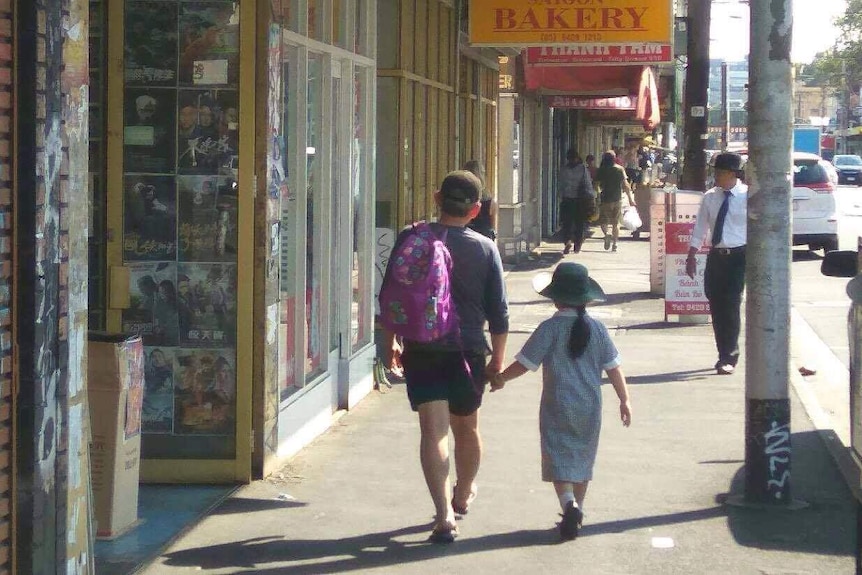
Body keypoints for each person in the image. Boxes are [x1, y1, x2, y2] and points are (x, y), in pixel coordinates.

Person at [381, 170, 509, 544]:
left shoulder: (411, 238)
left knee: (432, 432)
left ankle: (443, 515)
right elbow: (499, 314)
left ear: (437, 199)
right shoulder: (485, 247)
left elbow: (389, 293)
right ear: (475, 210)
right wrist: (496, 361)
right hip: (467, 350)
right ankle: (464, 494)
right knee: (466, 428)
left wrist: (389, 341)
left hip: (421, 346)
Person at [490, 262, 632, 541]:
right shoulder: (598, 329)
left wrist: (501, 378)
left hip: (557, 404)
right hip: (590, 406)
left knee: (558, 457)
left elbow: (525, 363)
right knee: (582, 458)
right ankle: (577, 511)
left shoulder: (550, 328)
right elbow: (614, 367)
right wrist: (624, 400)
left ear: (555, 298)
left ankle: (569, 504)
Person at [685, 152, 747, 375]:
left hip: (739, 256)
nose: (716, 177)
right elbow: (700, 227)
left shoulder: (748, 196)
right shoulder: (710, 197)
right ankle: (723, 351)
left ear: (732, 173)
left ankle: (729, 356)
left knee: (731, 305)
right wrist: (691, 255)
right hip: (716, 256)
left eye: (720, 172)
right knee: (716, 304)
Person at [594, 151, 635, 252]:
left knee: (603, 221)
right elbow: (626, 185)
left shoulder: (602, 170)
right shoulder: (619, 169)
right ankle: (615, 244)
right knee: (615, 223)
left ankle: (607, 234)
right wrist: (630, 199)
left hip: (605, 199)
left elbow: (596, 184)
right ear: (614, 158)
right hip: (617, 199)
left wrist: (598, 194)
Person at [558, 148, 595, 255]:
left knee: (567, 223)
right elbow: (588, 185)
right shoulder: (583, 169)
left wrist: (560, 195)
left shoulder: (564, 169)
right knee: (580, 224)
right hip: (580, 201)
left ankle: (568, 241)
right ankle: (577, 245)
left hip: (567, 199)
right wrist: (592, 198)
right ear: (577, 158)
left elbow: (561, 184)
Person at [463, 159, 498, 241]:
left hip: (464, 241)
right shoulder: (491, 202)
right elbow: (493, 229)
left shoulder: (461, 199)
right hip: (484, 245)